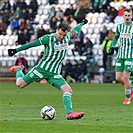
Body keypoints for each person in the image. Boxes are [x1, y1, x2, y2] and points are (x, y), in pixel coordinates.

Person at [8, 19, 88, 120]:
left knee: (68, 90)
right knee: (20, 84)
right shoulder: (47, 38)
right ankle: (19, 69)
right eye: (60, 34)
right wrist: (15, 50)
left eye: (63, 35)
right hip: (41, 69)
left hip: (54, 73)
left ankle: (69, 113)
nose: (61, 37)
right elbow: (31, 44)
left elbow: (75, 30)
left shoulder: (67, 37)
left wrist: (82, 23)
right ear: (57, 30)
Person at [109, 8, 133, 104]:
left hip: (130, 55)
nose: (127, 17)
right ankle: (130, 89)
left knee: (126, 77)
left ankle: (127, 98)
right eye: (125, 15)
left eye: (129, 15)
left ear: (131, 16)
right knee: (118, 78)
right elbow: (116, 38)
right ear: (123, 16)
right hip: (120, 54)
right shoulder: (119, 27)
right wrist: (112, 46)